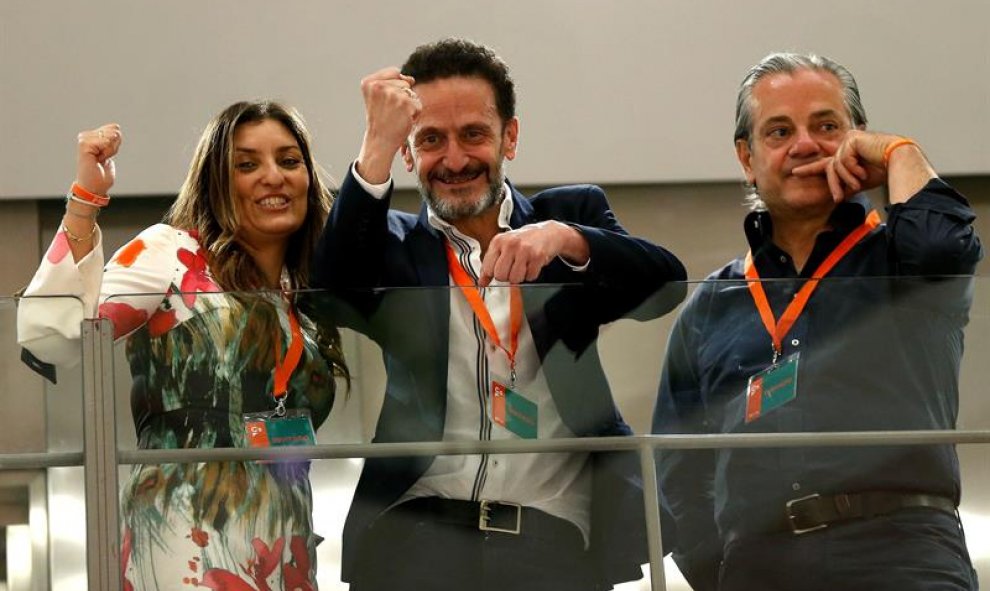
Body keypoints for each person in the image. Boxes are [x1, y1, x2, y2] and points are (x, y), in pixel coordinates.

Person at [309, 38, 685, 590]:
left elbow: (665, 285)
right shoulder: (390, 247)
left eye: (474, 134)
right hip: (415, 538)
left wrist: (567, 240)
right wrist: (376, 146)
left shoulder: (571, 215)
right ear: (408, 153)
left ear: (510, 137)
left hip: (553, 543)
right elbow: (329, 292)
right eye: (430, 139)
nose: (455, 160)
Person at [652, 52, 983, 591]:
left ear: (858, 138)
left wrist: (900, 152)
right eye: (779, 131)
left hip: (904, 555)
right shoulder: (711, 305)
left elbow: (947, 249)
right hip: (758, 568)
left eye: (826, 126)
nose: (804, 144)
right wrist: (724, 574)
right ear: (747, 156)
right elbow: (678, 475)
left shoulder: (902, 258)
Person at [18, 101, 349, 590]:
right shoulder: (172, 253)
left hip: (283, 538)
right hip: (184, 535)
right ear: (217, 180)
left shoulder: (308, 292)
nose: (273, 176)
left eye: (289, 160)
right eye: (247, 164)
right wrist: (86, 200)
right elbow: (58, 336)